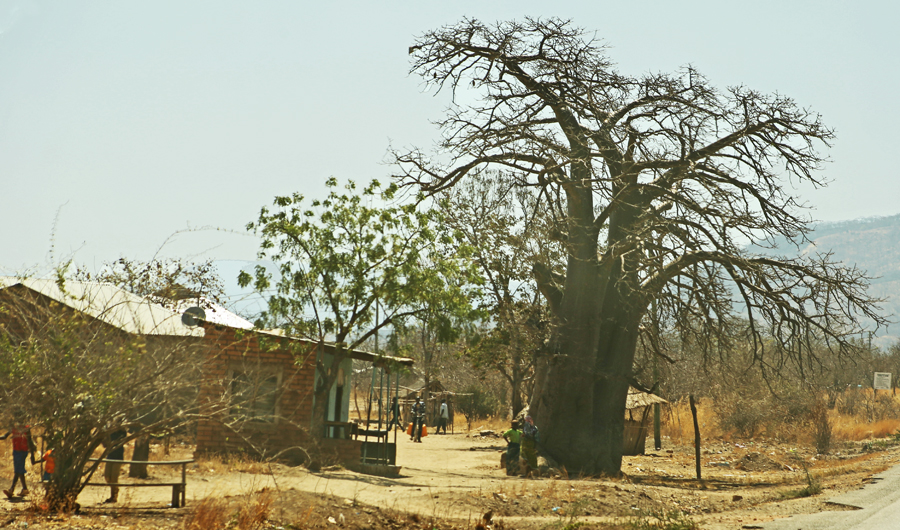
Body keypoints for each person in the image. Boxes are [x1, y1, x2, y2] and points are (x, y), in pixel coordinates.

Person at [1, 416, 36, 499]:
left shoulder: (25, 428)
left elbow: (30, 441)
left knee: (18, 470)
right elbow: (5, 436)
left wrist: (32, 455)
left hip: (22, 451)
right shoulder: (15, 428)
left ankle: (12, 489)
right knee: (18, 470)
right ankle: (24, 489)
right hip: (17, 451)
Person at [102, 429, 127, 504]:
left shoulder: (122, 432)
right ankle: (115, 490)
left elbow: (121, 441)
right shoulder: (109, 432)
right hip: (110, 455)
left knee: (114, 478)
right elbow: (105, 445)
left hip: (118, 457)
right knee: (107, 477)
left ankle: (114, 496)